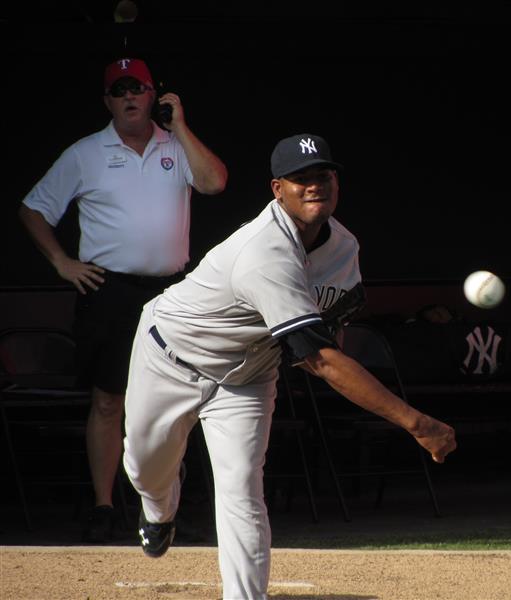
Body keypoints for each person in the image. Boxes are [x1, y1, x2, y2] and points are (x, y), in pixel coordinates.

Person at [122, 133, 457, 599]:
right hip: (170, 358)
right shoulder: (264, 251)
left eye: (323, 175)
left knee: (242, 489)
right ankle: (159, 510)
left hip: (247, 376)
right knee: (145, 468)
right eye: (301, 178)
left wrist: (321, 350)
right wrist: (416, 422)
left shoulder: (344, 247)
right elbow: (320, 360)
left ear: (337, 183)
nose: (315, 185)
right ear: (278, 190)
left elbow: (331, 329)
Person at [18, 57, 228, 543]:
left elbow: (215, 182)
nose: (129, 97)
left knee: (173, 402)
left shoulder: (176, 145)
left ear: (154, 96)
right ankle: (104, 506)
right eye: (120, 91)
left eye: (138, 89)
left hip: (169, 292)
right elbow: (32, 209)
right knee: (109, 399)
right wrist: (61, 262)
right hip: (109, 290)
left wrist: (181, 127)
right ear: (108, 101)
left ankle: (164, 508)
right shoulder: (86, 152)